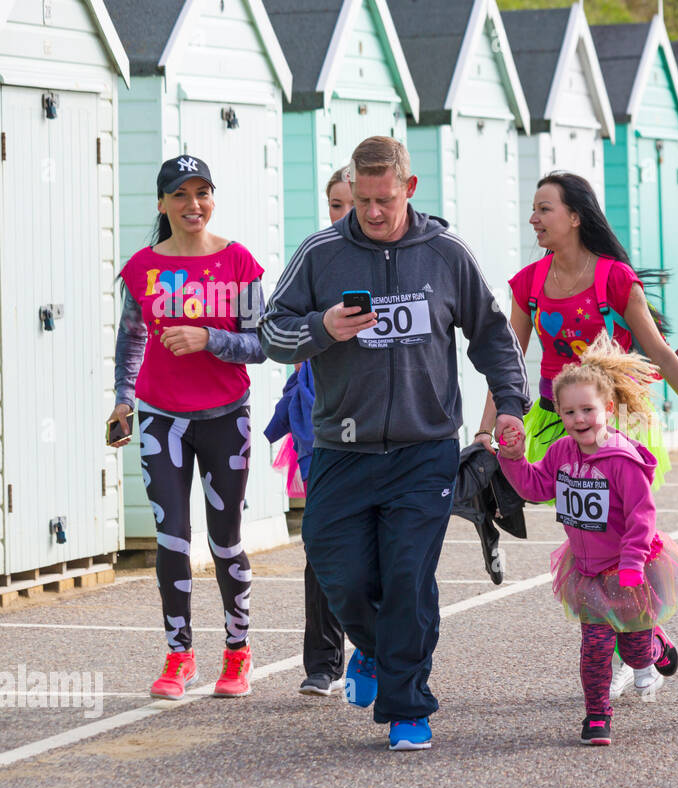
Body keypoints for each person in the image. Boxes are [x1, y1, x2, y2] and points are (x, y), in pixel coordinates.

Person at [259, 136, 530, 751]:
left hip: (422, 449)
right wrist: (320, 328)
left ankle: (408, 704)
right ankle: (379, 652)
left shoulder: (445, 252)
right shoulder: (321, 253)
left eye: (384, 199)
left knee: (409, 577)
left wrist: (510, 404)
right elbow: (271, 330)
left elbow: (492, 334)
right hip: (340, 449)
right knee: (344, 578)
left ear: (408, 188)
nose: (373, 212)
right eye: (361, 199)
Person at [478, 172, 678, 696]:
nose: (534, 218)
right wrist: (489, 428)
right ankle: (642, 641)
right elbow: (507, 364)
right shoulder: (527, 283)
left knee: (630, 535)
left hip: (617, 425)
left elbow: (661, 353)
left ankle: (638, 635)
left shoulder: (616, 280)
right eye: (533, 209)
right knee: (587, 537)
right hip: (556, 423)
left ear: (575, 216)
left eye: (544, 208)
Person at [109, 155, 268, 700]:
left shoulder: (238, 262)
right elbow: (132, 340)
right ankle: (179, 656)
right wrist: (122, 401)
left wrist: (208, 338)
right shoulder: (142, 269)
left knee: (225, 541)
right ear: (162, 204)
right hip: (161, 418)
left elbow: (262, 343)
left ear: (212, 198)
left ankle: (237, 653)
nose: (192, 204)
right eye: (180, 194)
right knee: (172, 539)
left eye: (202, 192)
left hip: (227, 416)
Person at [496, 335, 678, 745]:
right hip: (586, 570)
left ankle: (653, 645)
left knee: (634, 651)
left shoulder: (622, 460)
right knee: (594, 645)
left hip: (630, 567)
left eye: (587, 409)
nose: (579, 419)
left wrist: (631, 565)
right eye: (569, 411)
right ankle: (596, 715)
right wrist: (514, 458)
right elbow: (536, 487)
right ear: (559, 413)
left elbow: (643, 518)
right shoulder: (561, 452)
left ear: (607, 409)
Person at [264, 167, 351, 696]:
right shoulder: (316, 257)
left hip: (378, 429)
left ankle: (379, 648)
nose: (344, 214)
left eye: (354, 203)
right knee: (320, 542)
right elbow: (278, 328)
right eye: (336, 204)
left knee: (377, 548)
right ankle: (322, 662)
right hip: (316, 425)